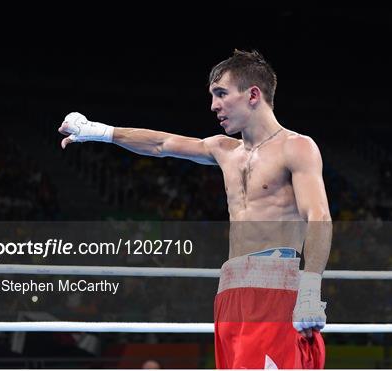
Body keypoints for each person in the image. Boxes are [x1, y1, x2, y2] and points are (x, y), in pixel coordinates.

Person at [58, 49, 332, 369]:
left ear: (253, 94)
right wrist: (98, 131)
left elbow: (319, 217)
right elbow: (161, 144)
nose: (214, 105)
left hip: (274, 289)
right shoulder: (223, 149)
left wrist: (311, 287)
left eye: (221, 94)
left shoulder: (296, 146)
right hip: (230, 290)